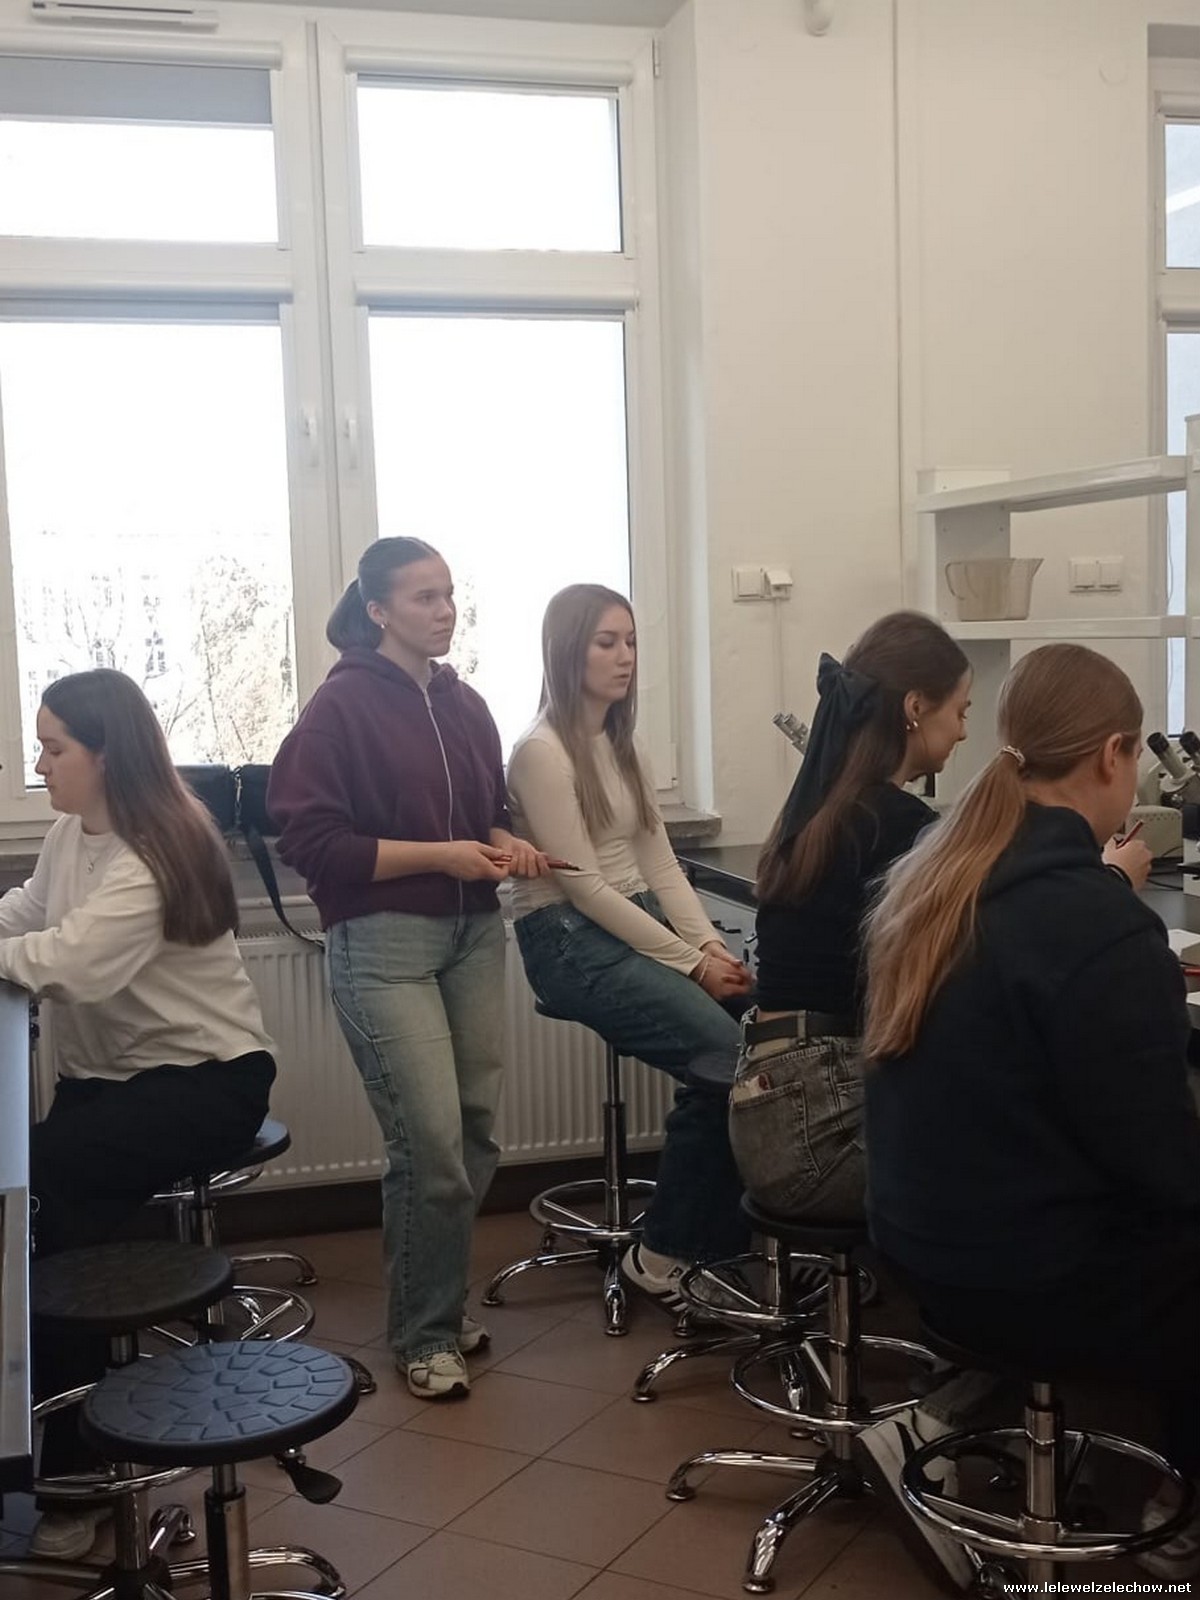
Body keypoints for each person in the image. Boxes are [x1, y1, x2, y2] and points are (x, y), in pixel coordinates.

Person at [863, 643, 1199, 1583]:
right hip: (1024, 1277)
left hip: (914, 1249)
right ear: (1113, 754)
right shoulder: (1101, 927)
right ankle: (1180, 1513)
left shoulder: (935, 880)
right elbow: (1160, 1168)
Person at [268, 537, 545, 1402]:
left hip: (473, 934)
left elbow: (489, 813)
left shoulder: (465, 703)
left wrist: (505, 843)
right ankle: (424, 1334)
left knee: (473, 1134)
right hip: (383, 944)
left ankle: (438, 1306)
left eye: (449, 593)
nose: (444, 610)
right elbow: (313, 844)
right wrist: (442, 857)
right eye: (424, 597)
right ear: (378, 610)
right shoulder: (339, 707)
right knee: (428, 1145)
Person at [10, 669, 275, 1559]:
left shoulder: (155, 850)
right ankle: (80, 1454)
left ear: (106, 755)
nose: (41, 765)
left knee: (41, 1191)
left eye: (54, 749)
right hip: (116, 1081)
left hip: (206, 1082)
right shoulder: (70, 835)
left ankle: (78, 1474)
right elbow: (26, 916)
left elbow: (71, 964)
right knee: (54, 1222)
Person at [507, 583, 753, 1309]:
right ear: (567, 650)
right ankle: (665, 1253)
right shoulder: (541, 752)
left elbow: (660, 865)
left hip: (629, 917)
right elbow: (584, 889)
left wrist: (709, 945)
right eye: (606, 642)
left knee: (760, 1043)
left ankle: (712, 1244)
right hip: (566, 938)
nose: (625, 657)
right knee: (725, 1062)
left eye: (632, 641)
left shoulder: (623, 741)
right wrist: (692, 964)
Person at [728, 610, 970, 1224]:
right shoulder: (900, 826)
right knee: (1031, 1158)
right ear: (916, 707)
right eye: (961, 711)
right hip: (821, 1142)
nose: (965, 732)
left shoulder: (822, 810)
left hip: (772, 1119)